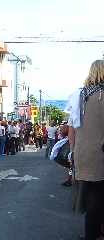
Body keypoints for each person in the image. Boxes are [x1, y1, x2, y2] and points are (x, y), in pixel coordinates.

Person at [68, 60, 104, 240]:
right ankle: (95, 233)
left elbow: (71, 129)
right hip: (100, 153)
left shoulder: (78, 96)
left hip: (82, 154)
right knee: (98, 197)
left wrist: (73, 152)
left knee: (90, 197)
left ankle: (92, 233)